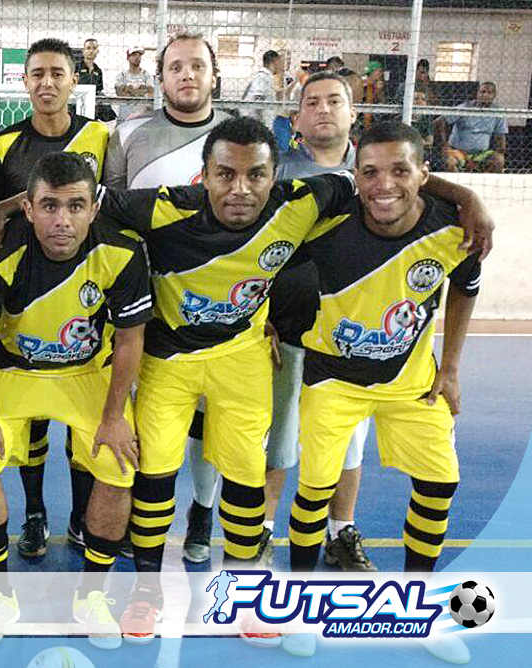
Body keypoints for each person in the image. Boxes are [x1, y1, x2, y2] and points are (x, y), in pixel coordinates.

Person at [43, 116, 489, 646]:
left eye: (255, 175)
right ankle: (146, 593)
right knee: (155, 477)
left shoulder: (303, 201)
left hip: (244, 360)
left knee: (246, 478)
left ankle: (241, 595)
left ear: (275, 176)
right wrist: (0, 216)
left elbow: (379, 178)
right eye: (225, 174)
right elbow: (70, 197)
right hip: (167, 363)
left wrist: (467, 197)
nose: (240, 188)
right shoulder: (161, 207)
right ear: (203, 175)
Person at [288, 122, 480, 666]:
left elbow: (466, 287)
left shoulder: (453, 229)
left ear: (424, 174)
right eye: (370, 172)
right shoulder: (327, 226)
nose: (384, 185)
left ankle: (421, 612)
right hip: (332, 379)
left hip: (411, 383)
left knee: (439, 484)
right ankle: (299, 613)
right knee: (315, 490)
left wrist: (452, 367)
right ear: (356, 177)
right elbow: (267, 262)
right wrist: (271, 322)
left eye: (400, 170)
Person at [0, 152, 152, 648]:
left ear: (93, 209)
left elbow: (129, 339)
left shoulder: (122, 251)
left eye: (75, 206)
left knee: (117, 464)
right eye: (49, 206)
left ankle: (92, 596)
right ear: (27, 208)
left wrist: (114, 416)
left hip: (86, 372)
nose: (62, 220)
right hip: (11, 370)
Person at [103, 33, 228, 596]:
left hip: (217, 311)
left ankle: (202, 511)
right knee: (142, 420)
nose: (187, 75)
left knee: (206, 423)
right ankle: (142, 515)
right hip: (142, 307)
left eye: (197, 65)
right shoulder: (127, 134)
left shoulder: (237, 138)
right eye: (175, 67)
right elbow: (107, 213)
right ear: (160, 78)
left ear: (214, 75)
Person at [0, 37, 109, 561]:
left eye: (57, 73)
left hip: (86, 289)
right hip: (23, 292)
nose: (47, 83)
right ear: (24, 82)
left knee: (81, 418)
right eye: (37, 73)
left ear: (74, 80)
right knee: (33, 413)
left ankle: (82, 516)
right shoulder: (2, 145)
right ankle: (35, 513)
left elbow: (114, 205)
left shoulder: (101, 136)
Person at [266, 70, 377, 581]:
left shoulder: (376, 172)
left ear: (353, 113)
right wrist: (258, 318)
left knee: (347, 444)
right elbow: (253, 249)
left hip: (351, 338)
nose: (324, 109)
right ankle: (261, 532)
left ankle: (340, 533)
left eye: (335, 101)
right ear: (297, 119)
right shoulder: (276, 172)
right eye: (312, 102)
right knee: (278, 442)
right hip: (287, 330)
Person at [437, 81, 507, 173]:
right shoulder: (465, 107)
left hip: (481, 154)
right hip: (458, 152)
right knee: (450, 162)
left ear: (494, 95)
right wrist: (444, 144)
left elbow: (500, 138)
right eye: (482, 92)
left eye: (489, 93)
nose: (485, 95)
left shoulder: (498, 112)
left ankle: (481, 180)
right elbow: (440, 121)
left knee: (499, 160)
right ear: (477, 93)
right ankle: (459, 182)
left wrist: (500, 153)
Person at [241, 49, 294, 148]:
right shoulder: (262, 77)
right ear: (274, 61)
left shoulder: (268, 77)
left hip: (260, 126)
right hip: (256, 126)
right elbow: (258, 100)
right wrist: (262, 126)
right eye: (280, 61)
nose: (281, 64)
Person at [77, 38, 114, 121]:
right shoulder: (75, 67)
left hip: (92, 107)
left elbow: (99, 89)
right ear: (83, 51)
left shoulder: (98, 71)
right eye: (88, 48)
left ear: (97, 51)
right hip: (77, 104)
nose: (91, 51)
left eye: (94, 48)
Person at [113, 47, 153, 118]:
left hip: (142, 116)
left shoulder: (146, 75)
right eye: (134, 55)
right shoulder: (121, 76)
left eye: (139, 55)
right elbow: (121, 94)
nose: (137, 57)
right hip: (125, 116)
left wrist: (129, 89)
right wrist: (141, 91)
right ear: (128, 58)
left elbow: (151, 93)